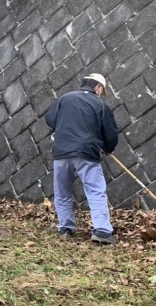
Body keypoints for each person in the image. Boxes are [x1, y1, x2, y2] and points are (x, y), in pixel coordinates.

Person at [44, 72, 119, 245]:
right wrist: (108, 149)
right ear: (98, 87)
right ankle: (102, 231)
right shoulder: (100, 105)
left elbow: (50, 119)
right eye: (102, 90)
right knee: (95, 190)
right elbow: (110, 134)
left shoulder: (65, 99)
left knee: (62, 191)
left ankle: (66, 228)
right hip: (86, 153)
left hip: (61, 152)